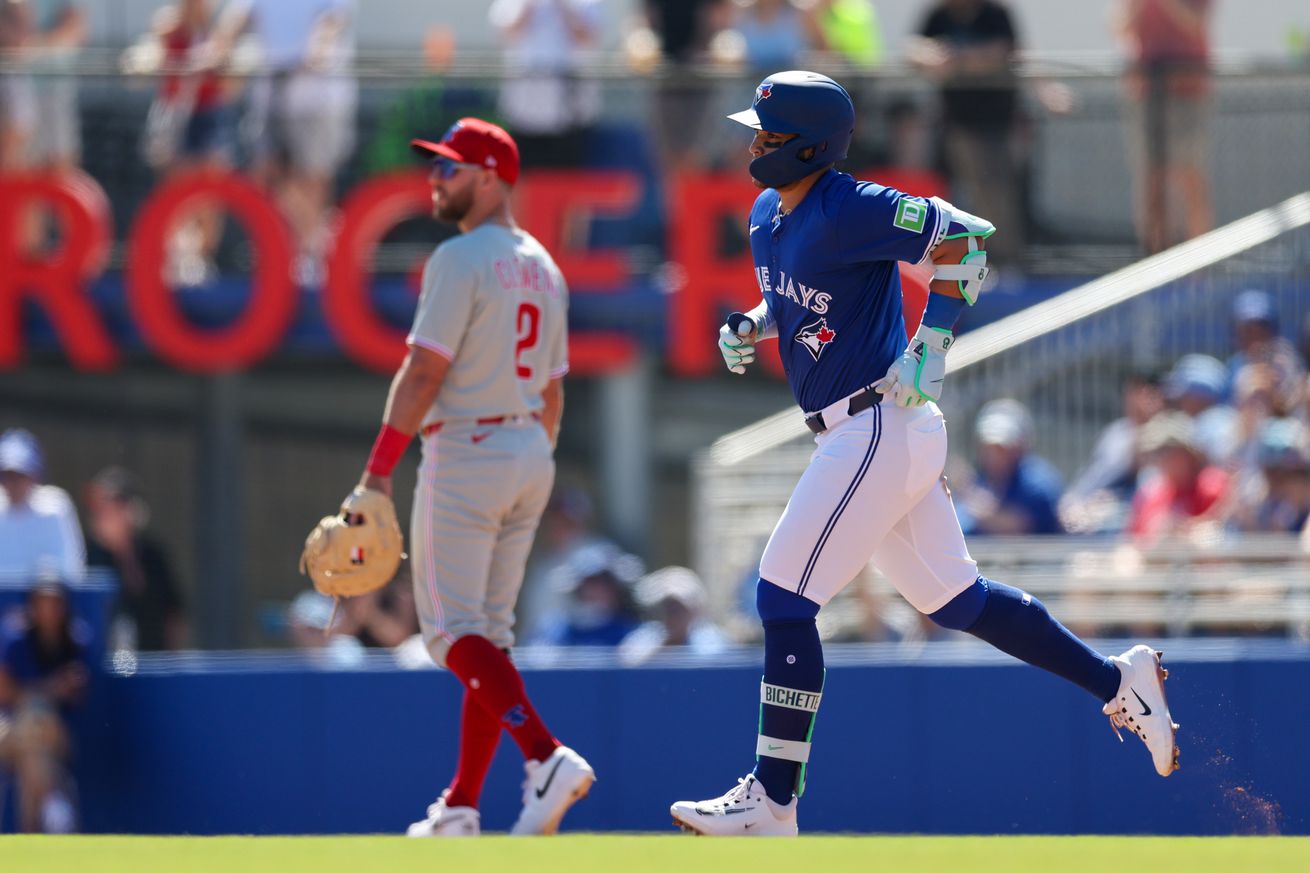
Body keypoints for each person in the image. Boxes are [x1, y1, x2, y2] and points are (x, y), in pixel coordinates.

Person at [669, 71, 1179, 837]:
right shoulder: (768, 214)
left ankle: (773, 799)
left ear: (809, 143)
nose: (751, 143)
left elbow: (968, 240)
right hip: (863, 429)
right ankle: (1119, 679)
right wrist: (751, 322)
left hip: (879, 419)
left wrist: (930, 343)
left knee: (782, 597)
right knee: (956, 601)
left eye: (767, 134)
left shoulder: (851, 203)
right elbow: (798, 298)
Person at [356, 118, 592, 838]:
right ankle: (460, 804)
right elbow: (554, 390)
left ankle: (546, 755)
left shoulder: (460, 258)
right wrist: (531, 458)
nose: (436, 179)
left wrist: (375, 475)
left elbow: (425, 368)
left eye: (451, 169)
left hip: (467, 449)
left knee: (450, 635)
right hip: (528, 449)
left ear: (489, 177)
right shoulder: (545, 266)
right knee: (487, 636)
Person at [908, 0, 1024, 265]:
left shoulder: (996, 14)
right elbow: (914, 49)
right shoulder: (938, 15)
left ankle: (1004, 262)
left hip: (995, 123)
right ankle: (953, 259)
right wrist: (932, 56)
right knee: (949, 195)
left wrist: (959, 59)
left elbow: (1000, 53)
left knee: (996, 195)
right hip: (954, 122)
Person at [1115, 0, 1213, 254]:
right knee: (1151, 177)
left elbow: (1195, 22)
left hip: (1186, 88)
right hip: (1145, 88)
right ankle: (1154, 256)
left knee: (1188, 174)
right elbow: (1120, 27)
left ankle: (1200, 261)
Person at [0, 574, 90, 833]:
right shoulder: (16, 639)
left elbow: (76, 692)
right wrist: (50, 689)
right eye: (42, 602)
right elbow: (4, 692)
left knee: (37, 720)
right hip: (9, 730)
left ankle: (40, 826)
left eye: (55, 603)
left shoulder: (74, 640)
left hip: (57, 736)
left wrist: (38, 696)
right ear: (32, 606)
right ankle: (53, 805)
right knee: (34, 736)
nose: (49, 610)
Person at [489, 0, 604, 168]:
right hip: (523, 114)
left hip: (569, 116)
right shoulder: (513, 3)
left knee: (565, 181)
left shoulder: (585, 4)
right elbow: (507, 33)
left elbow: (587, 36)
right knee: (523, 180)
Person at [83, 467, 187, 652]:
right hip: (109, 669)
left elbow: (173, 612)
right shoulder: (88, 558)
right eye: (100, 508)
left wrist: (172, 658)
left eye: (112, 506)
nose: (102, 515)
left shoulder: (153, 554)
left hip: (154, 663)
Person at [953, 398, 1065, 535]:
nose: (993, 455)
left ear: (1020, 446)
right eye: (988, 447)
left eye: (1001, 448)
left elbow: (1021, 527)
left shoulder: (1039, 481)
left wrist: (969, 494)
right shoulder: (981, 478)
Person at [0, 429, 84, 585]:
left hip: (41, 606)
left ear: (35, 474)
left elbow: (71, 570)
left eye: (19, 475)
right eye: (6, 475)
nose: (12, 483)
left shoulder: (55, 506)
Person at [531, 543, 643, 647]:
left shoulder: (631, 633)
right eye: (589, 583)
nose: (596, 591)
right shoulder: (556, 628)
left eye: (605, 583)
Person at [619, 565, 729, 665]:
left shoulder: (713, 643)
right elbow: (627, 664)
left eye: (679, 608)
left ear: (695, 609)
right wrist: (661, 649)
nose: (672, 614)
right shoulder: (646, 638)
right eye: (666, 606)